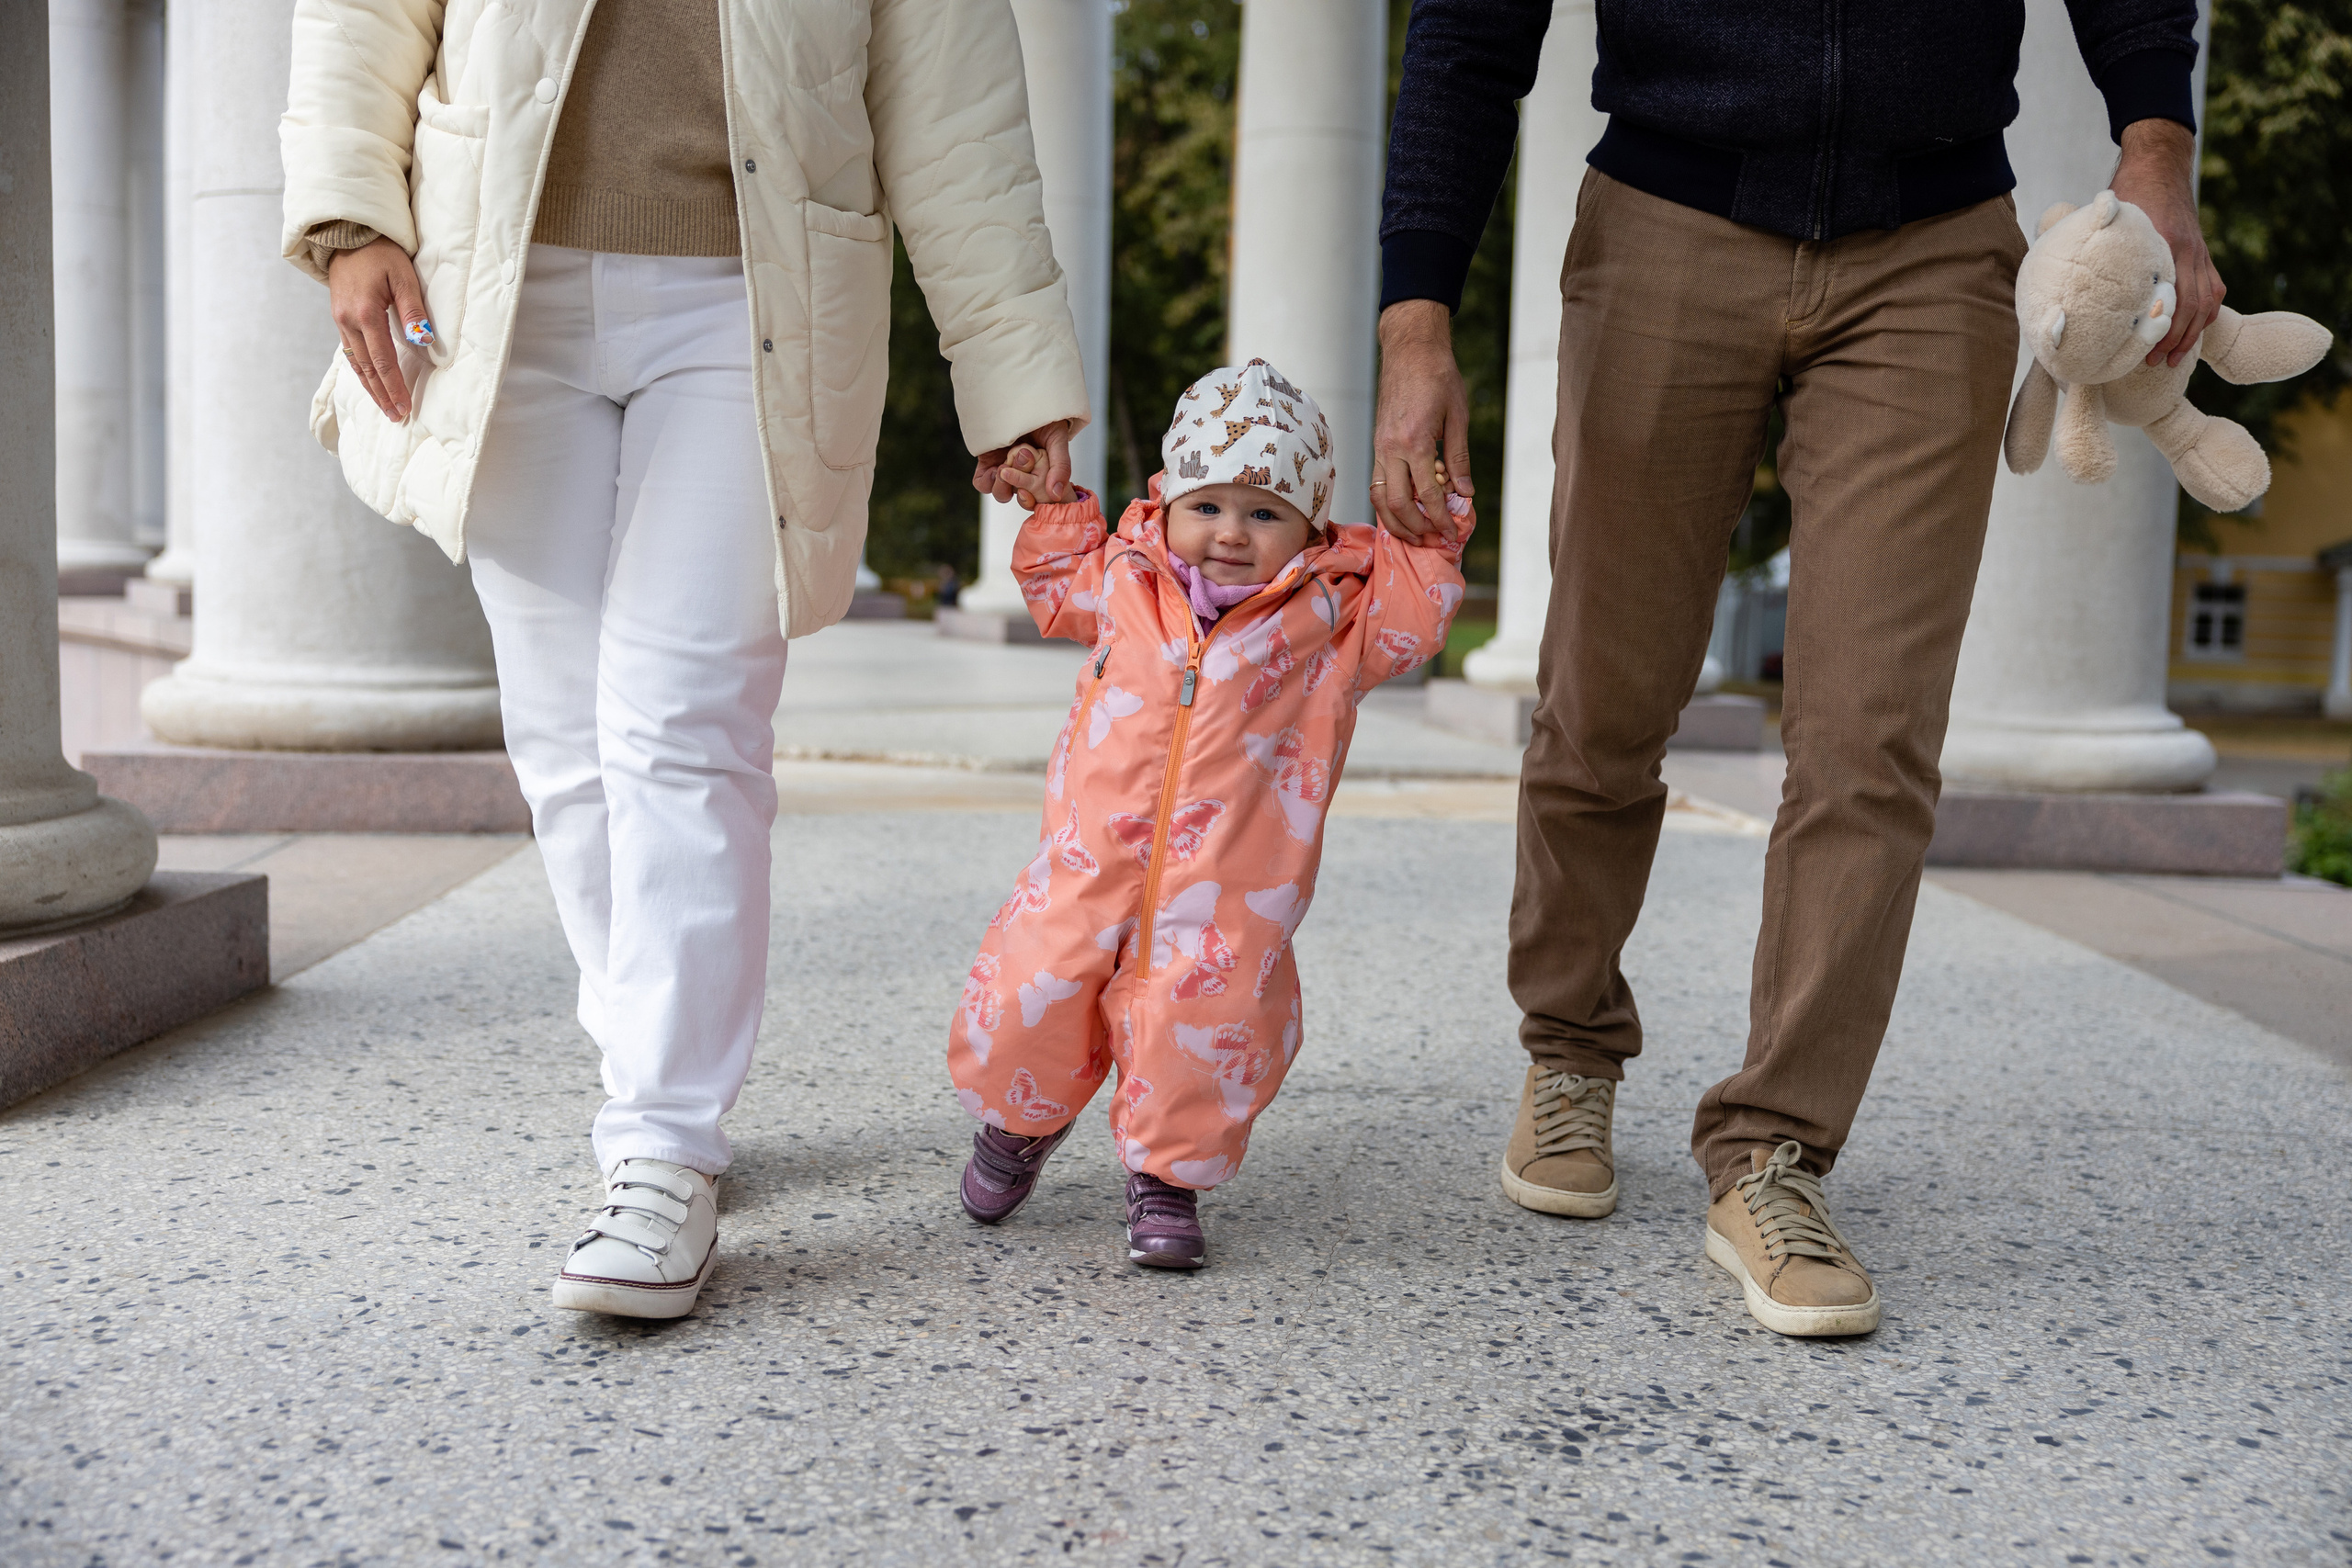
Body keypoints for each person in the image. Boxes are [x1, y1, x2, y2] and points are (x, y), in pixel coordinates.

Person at [1372, 0, 2212, 1337]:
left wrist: (2157, 151)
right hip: (1665, 219)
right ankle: (1570, 1045)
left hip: (1932, 242)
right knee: (1604, 694)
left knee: (1873, 734)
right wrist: (1416, 325)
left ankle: (1775, 1150)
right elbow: (1470, 30)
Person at [280, 0, 1089, 1320]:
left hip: (752, 294)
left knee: (684, 719)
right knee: (565, 738)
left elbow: (956, 109)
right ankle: (651, 1081)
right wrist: (349, 216)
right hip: (490, 276)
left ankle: (664, 1141)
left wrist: (1012, 370)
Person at [949, 360, 1473, 1269]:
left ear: (1310, 525)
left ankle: (1167, 1176)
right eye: (1208, 506)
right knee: (1032, 989)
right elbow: (1055, 580)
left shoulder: (1334, 619)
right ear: (1167, 503)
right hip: (1088, 861)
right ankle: (1019, 1121)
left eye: (1265, 513)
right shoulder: (1124, 576)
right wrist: (1056, 505)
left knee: (1204, 1023)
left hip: (1231, 889)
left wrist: (1430, 524)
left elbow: (1416, 614)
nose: (1231, 532)